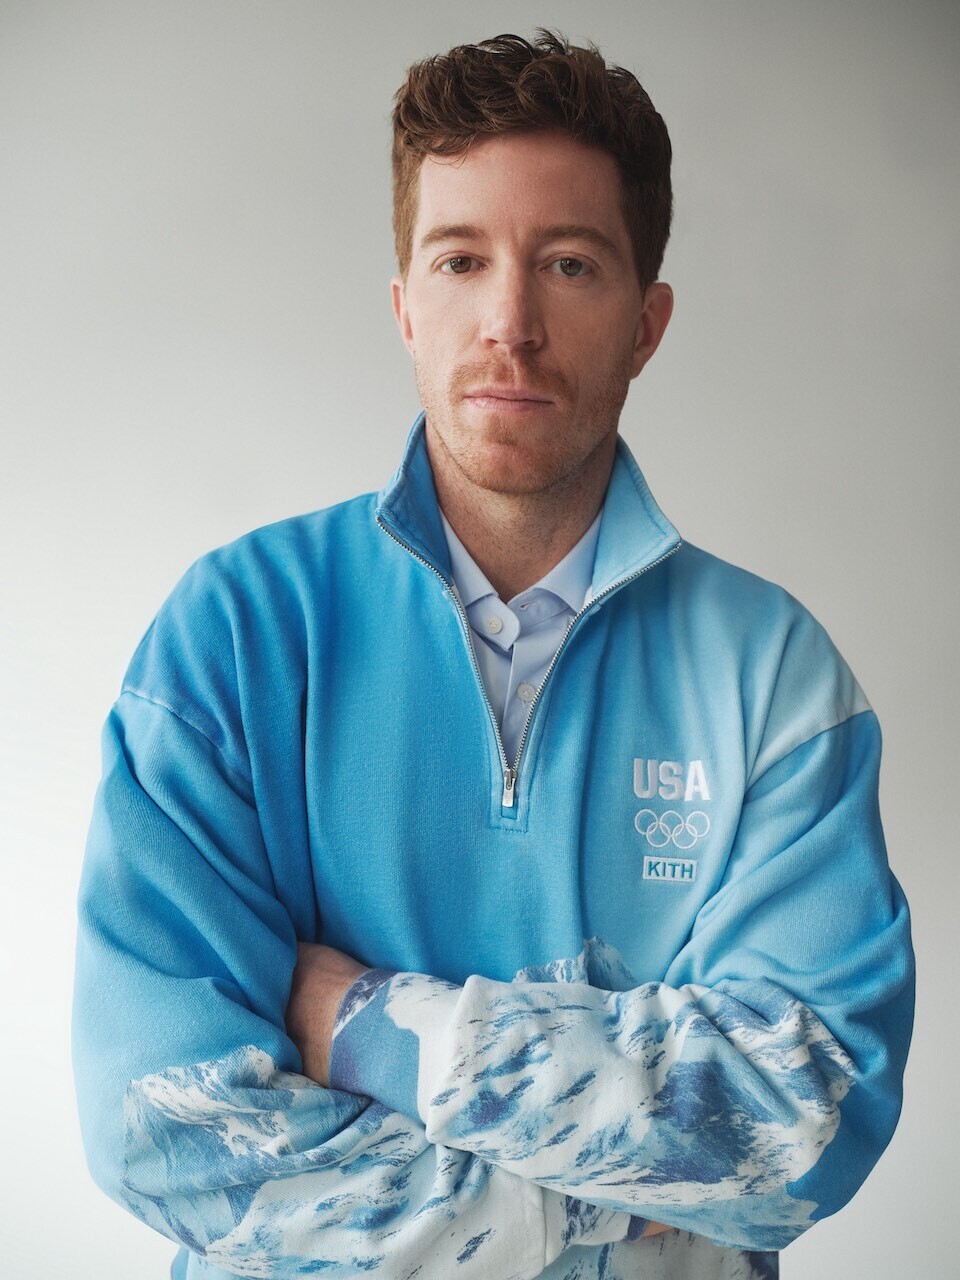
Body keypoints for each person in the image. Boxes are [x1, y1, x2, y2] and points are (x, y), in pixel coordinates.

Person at [73, 31, 914, 1280]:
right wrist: (622, 1206)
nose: (510, 322)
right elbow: (168, 1127)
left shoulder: (777, 678)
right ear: (406, 307)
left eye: (569, 264)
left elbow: (804, 1121)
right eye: (461, 259)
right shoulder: (231, 633)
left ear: (647, 323)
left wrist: (366, 1024)